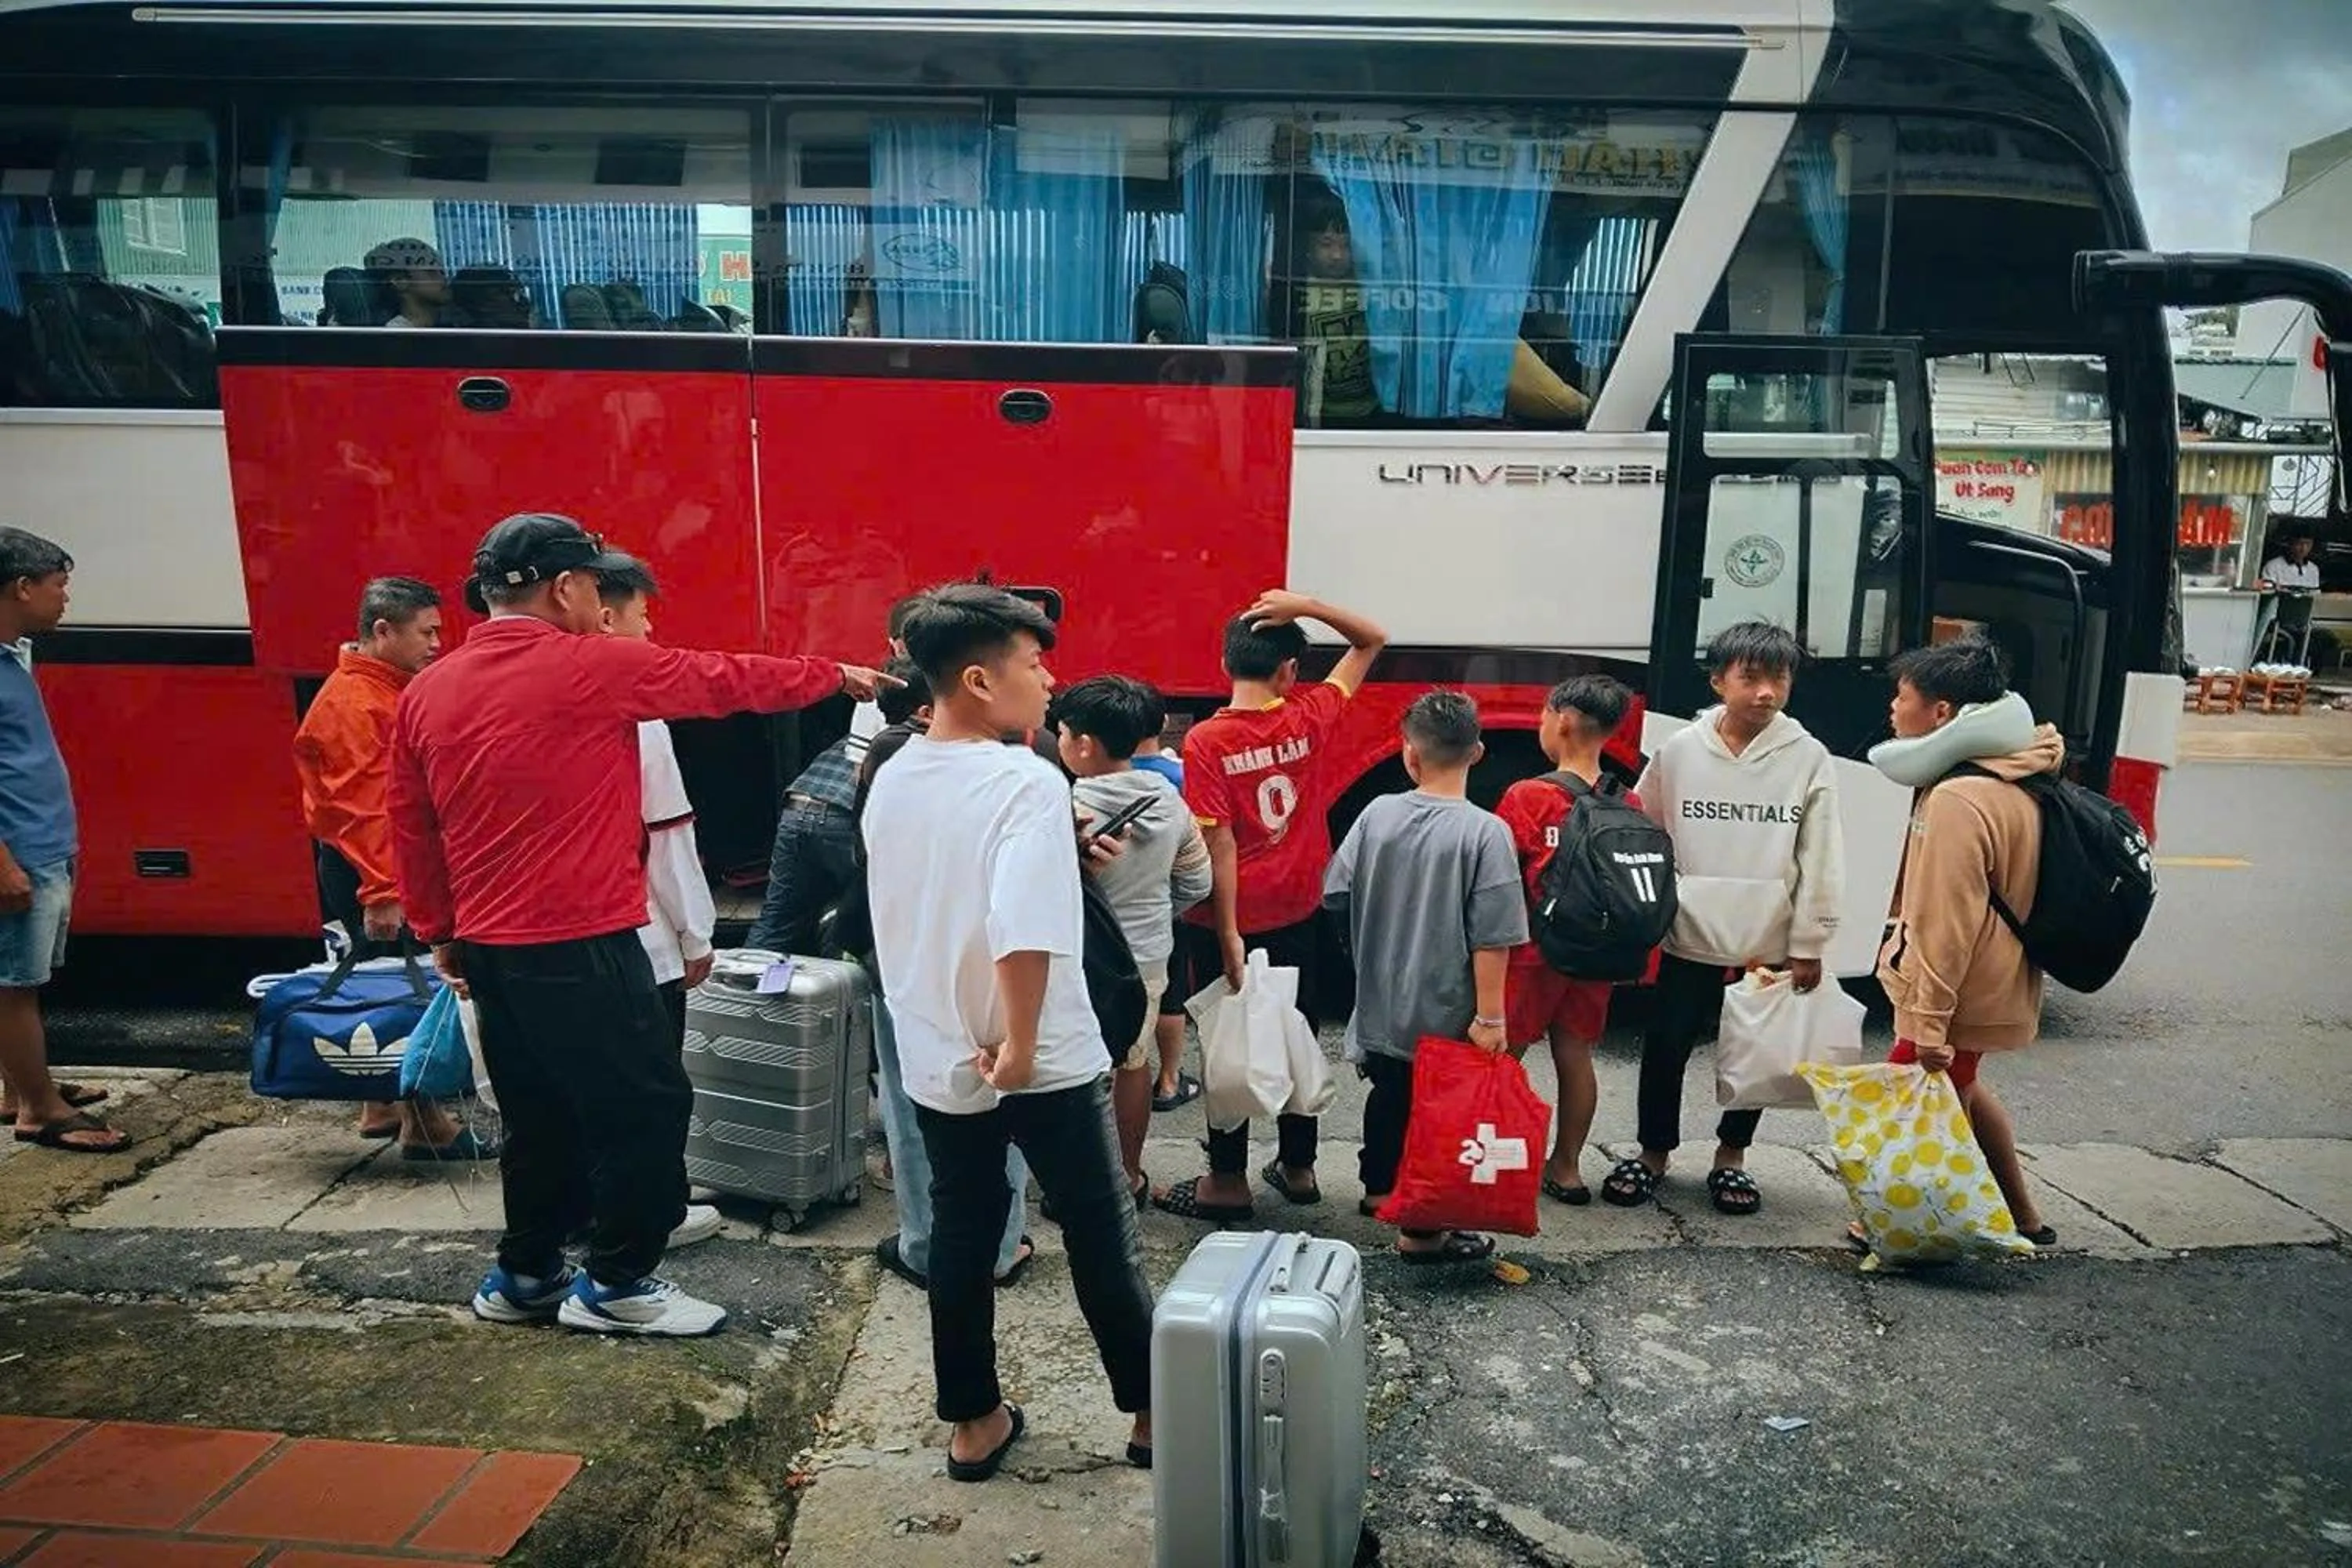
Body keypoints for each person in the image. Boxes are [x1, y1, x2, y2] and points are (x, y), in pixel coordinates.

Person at [392, 512, 888, 1338]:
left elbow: (412, 823)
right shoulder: (586, 665)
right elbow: (721, 679)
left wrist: (438, 928)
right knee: (645, 1106)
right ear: (566, 587)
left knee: (538, 1113)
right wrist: (830, 675)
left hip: (488, 945)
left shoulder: (426, 688)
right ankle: (619, 1279)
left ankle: (527, 1272)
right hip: (583, 938)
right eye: (592, 582)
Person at [862, 583, 1154, 1483]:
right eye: (1035, 663)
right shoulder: (1028, 778)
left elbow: (923, 905)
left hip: (938, 1049)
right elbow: (1023, 930)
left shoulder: (890, 771)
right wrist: (1022, 1046)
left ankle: (973, 1422)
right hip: (1039, 1052)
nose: (1050, 677)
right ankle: (1151, 1415)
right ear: (981, 678)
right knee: (1102, 1230)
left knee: (961, 1228)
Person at [1154, 590, 1386, 1224]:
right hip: (1299, 907)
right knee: (1295, 1031)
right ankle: (1300, 1165)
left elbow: (1218, 839)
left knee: (1228, 1040)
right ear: (1290, 671)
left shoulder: (1207, 740)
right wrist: (1307, 604)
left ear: (1227, 663)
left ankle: (1227, 1178)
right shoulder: (1310, 713)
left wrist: (1227, 931)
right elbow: (1372, 639)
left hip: (1225, 918)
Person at [1605, 621, 1841, 1217]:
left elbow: (1821, 851)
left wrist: (1810, 940)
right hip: (1691, 927)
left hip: (1767, 934)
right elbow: (1647, 831)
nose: (1766, 692)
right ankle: (1654, 1152)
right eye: (1751, 678)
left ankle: (1731, 1156)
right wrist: (1645, 914)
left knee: (1756, 1048)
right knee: (1666, 1042)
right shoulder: (1680, 750)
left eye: (1779, 678)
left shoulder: (1806, 756)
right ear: (1719, 680)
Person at [1859, 633, 2059, 1250]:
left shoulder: (1959, 797)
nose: (1893, 708)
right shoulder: (2015, 771)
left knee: (1910, 1099)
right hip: (1996, 974)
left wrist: (1930, 1023)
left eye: (1903, 696)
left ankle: (1900, 1223)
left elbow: (1948, 923)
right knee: (1964, 1087)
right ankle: (2024, 1217)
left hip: (1959, 985)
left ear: (1941, 712)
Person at [855, 656, 1039, 1295]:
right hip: (984, 967)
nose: (1043, 682)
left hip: (905, 964)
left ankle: (926, 1246)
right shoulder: (1016, 772)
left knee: (916, 1110)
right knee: (1001, 1107)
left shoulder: (891, 761)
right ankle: (1003, 1242)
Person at [1323, 692, 1526, 1264]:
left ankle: (1378, 1190)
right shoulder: (1486, 833)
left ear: (1408, 754)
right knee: (1435, 1113)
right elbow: (1494, 935)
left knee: (1388, 1093)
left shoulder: (1377, 815)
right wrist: (1490, 1017)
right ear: (1479, 752)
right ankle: (1423, 1226)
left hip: (1383, 997)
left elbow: (1335, 892)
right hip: (1449, 1008)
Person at [292, 575, 489, 1159]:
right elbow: (367, 808)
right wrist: (383, 890)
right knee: (409, 988)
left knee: (385, 982)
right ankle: (425, 1123)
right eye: (426, 632)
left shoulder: (371, 689)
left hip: (362, 865)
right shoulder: (358, 703)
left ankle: (381, 1104)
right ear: (383, 631)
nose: (437, 644)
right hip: (372, 869)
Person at [1054, 675, 1212, 1200]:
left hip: (1076, 959)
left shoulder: (1065, 806)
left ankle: (1072, 1183)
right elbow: (1197, 881)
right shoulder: (1170, 801)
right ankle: (1127, 1173)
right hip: (1147, 956)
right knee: (1133, 1061)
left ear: (1083, 744)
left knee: (1073, 1071)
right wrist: (1152, 913)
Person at [0, 528, 124, 1154]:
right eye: (58, 585)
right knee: (14, 984)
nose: (65, 598)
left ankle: (17, 1084)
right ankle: (38, 1109)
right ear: (22, 587)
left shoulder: (12, 654)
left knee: (20, 979)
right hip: (18, 848)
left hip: (39, 840)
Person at [1495, 675, 1639, 1204]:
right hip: (1594, 956)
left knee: (1502, 1059)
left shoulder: (1528, 796)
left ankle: (1500, 1161)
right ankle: (1569, 1167)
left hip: (1532, 953)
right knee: (1576, 1056)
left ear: (1563, 719)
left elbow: (1501, 879)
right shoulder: (1628, 800)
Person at [593, 560, 717, 1045]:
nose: (649, 627)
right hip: (641, 947)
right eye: (641, 614)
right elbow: (665, 835)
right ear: (606, 619)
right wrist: (695, 935)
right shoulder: (637, 720)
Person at [365, 238, 449, 330]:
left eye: (442, 272)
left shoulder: (454, 325)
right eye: (431, 272)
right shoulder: (396, 336)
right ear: (400, 282)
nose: (443, 278)